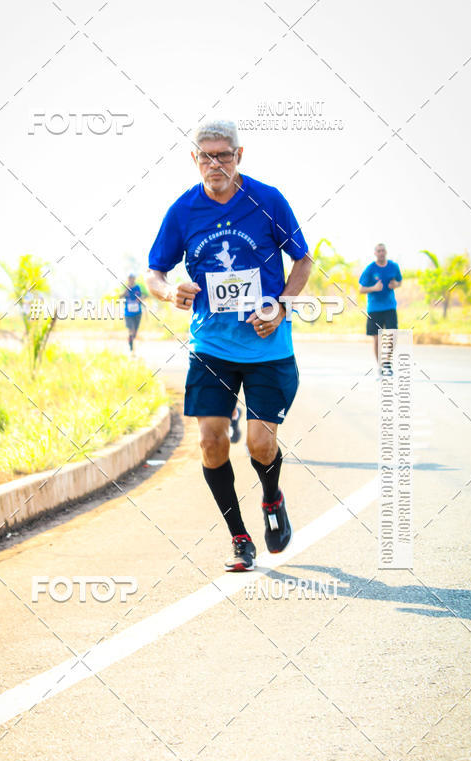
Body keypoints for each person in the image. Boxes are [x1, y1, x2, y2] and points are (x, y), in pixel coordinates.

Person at [145, 119, 312, 572]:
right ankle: (239, 537)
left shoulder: (268, 200)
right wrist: (167, 291)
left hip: (267, 349)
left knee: (259, 442)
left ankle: (272, 498)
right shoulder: (183, 211)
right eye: (205, 155)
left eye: (223, 154)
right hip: (211, 346)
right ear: (193, 158)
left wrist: (280, 307)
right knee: (212, 441)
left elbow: (302, 259)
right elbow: (154, 272)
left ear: (240, 156)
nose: (214, 163)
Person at [359, 243, 402, 375]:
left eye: (383, 250)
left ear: (386, 252)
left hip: (389, 306)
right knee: (377, 339)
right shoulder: (370, 269)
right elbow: (361, 289)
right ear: (375, 253)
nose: (381, 253)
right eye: (379, 251)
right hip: (374, 308)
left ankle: (387, 362)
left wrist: (396, 284)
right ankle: (380, 366)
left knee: (393, 335)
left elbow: (399, 282)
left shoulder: (393, 267)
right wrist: (373, 288)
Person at [122, 273, 143, 353]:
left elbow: (141, 297)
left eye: (132, 278)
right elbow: (120, 297)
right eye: (129, 278)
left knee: (134, 332)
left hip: (137, 313)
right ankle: (131, 346)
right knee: (131, 330)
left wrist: (140, 300)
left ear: (134, 279)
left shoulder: (138, 288)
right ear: (128, 280)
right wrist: (124, 293)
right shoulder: (125, 288)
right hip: (128, 313)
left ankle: (131, 339)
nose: (131, 280)